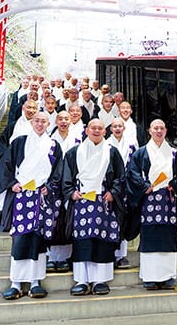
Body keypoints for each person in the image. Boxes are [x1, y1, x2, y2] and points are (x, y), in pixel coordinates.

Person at [0, 112, 63, 300]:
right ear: (31, 122)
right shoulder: (19, 143)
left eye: (43, 121)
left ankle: (35, 282)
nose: (40, 124)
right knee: (20, 238)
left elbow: (58, 173)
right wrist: (12, 183)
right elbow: (6, 166)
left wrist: (50, 187)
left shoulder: (54, 146)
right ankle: (15, 283)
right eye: (36, 121)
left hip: (41, 196)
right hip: (22, 195)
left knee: (37, 239)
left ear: (49, 123)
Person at [62, 119, 126, 296]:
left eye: (100, 128)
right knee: (82, 241)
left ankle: (100, 280)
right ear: (87, 130)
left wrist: (113, 192)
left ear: (105, 132)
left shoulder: (112, 152)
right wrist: (71, 192)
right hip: (82, 201)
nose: (96, 131)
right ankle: (82, 280)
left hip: (104, 201)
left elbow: (121, 176)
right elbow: (66, 176)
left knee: (102, 239)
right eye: (93, 128)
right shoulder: (74, 152)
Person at [126, 119, 177, 290]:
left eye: (162, 128)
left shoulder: (174, 154)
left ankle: (168, 276)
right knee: (150, 237)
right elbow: (133, 173)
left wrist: (174, 184)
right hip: (148, 200)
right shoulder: (140, 153)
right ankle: (150, 277)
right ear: (149, 131)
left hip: (168, 200)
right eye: (155, 128)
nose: (159, 131)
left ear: (166, 131)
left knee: (168, 236)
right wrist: (144, 186)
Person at [47, 111, 80, 273]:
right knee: (53, 220)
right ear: (56, 121)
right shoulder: (50, 141)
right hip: (53, 186)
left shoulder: (78, 140)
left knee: (68, 220)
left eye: (66, 119)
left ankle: (66, 258)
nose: (64, 121)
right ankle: (52, 257)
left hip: (70, 184)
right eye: (60, 119)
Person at [106, 117, 137, 269]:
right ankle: (109, 252)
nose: (117, 128)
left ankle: (121, 255)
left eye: (120, 126)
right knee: (109, 217)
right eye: (115, 126)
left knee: (123, 219)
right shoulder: (106, 145)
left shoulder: (131, 145)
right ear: (110, 129)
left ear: (124, 128)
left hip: (127, 187)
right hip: (111, 186)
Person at [0, 99, 39, 169]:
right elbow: (4, 143)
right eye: (29, 107)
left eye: (34, 108)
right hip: (13, 159)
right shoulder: (13, 126)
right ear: (23, 108)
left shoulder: (40, 127)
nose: (31, 111)